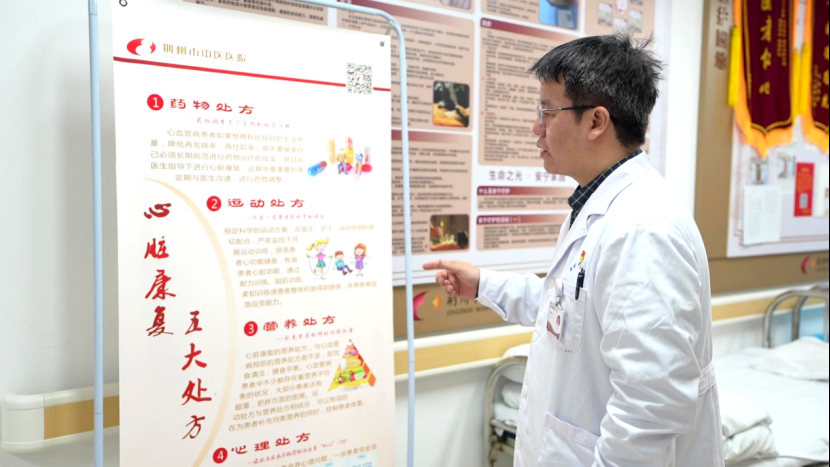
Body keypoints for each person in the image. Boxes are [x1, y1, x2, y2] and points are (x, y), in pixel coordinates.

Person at [424, 33, 724, 466]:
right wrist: (483, 284)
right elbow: (569, 309)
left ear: (596, 121)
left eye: (547, 112)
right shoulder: (599, 207)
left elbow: (650, 406)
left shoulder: (643, 228)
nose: (536, 127)